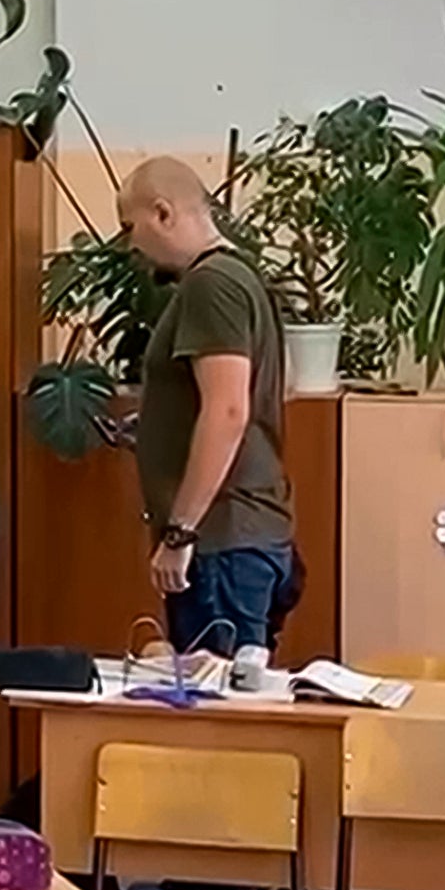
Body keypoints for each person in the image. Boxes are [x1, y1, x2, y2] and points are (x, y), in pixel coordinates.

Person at [117, 156, 298, 657]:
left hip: (222, 540)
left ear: (163, 212)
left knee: (218, 713)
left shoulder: (210, 284)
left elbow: (228, 411)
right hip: (242, 534)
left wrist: (180, 532)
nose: (132, 245)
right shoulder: (240, 277)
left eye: (131, 227)